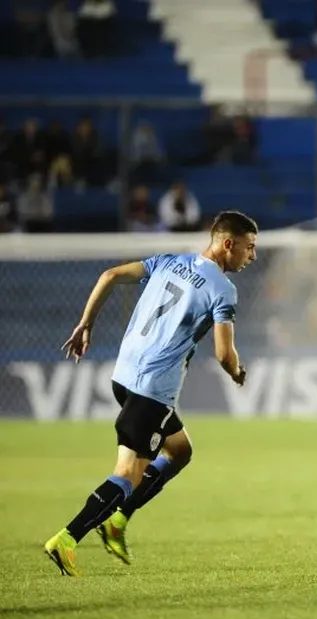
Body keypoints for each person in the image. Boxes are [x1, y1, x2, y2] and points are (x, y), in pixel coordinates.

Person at [44, 211, 258, 576]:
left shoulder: (170, 261)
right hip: (153, 390)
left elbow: (109, 275)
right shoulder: (222, 289)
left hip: (124, 376)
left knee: (180, 451)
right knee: (127, 474)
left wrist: (85, 324)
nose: (252, 256)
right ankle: (66, 538)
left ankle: (117, 521)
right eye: (249, 248)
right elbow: (224, 355)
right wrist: (238, 373)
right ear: (228, 244)